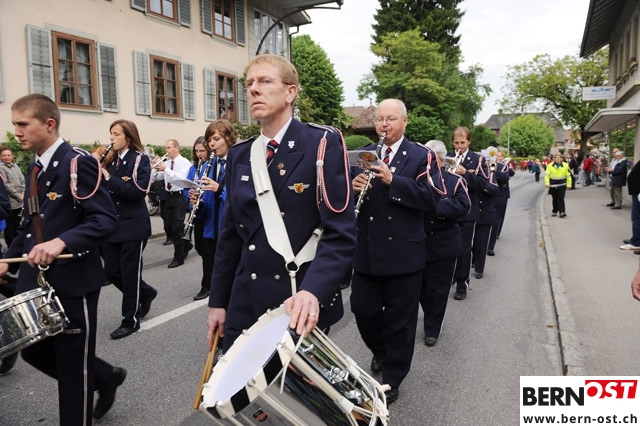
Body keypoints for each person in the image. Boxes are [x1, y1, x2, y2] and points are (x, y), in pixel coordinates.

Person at [206, 55, 356, 365]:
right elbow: (230, 235)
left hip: (298, 297)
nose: (253, 89)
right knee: (240, 387)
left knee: (298, 390)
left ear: (290, 92)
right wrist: (218, 302)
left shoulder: (321, 144)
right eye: (249, 83)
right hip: (246, 297)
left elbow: (339, 232)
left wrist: (313, 290)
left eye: (265, 81)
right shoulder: (240, 154)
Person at [1, 94, 125, 424]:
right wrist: (7, 259)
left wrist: (62, 241)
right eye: (15, 124)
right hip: (36, 281)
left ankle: (90, 381)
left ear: (49, 124)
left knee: (72, 367)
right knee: (32, 350)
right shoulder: (35, 167)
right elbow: (30, 224)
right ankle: (104, 376)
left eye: (23, 124)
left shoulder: (77, 163)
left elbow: (105, 220)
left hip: (72, 280)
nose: (17, 132)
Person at [350, 99, 439, 404]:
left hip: (403, 253)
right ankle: (381, 350)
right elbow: (345, 199)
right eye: (380, 119)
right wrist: (353, 186)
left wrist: (393, 181)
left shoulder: (421, 155)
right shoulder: (364, 153)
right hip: (367, 250)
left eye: (390, 119)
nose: (384, 125)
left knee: (400, 321)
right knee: (362, 309)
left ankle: (392, 378)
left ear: (404, 121)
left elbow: (432, 198)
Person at [101, 120, 158, 339]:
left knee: (130, 274)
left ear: (128, 136)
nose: (112, 138)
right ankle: (146, 292)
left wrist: (108, 177)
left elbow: (138, 191)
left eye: (116, 134)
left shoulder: (139, 159)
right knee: (111, 272)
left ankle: (130, 320)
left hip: (133, 226)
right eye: (111, 134)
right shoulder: (111, 159)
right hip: (113, 225)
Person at [420, 140, 470, 347]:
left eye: (431, 159)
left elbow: (464, 206)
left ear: (440, 160)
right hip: (417, 242)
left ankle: (432, 328)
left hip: (443, 244)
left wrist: (433, 206)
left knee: (437, 291)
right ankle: (429, 314)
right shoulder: (416, 179)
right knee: (419, 290)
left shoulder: (454, 180)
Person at [185, 121, 237, 301]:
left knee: (231, 272)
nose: (211, 144)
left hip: (231, 227)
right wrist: (195, 202)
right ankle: (208, 287)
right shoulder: (209, 165)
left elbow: (242, 197)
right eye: (209, 140)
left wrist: (220, 189)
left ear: (228, 138)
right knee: (209, 260)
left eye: (216, 139)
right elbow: (206, 198)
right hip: (210, 227)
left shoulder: (239, 162)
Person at [449, 126, 497, 300]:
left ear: (469, 142)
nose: (459, 146)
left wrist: (466, 174)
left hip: (468, 209)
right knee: (449, 247)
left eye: (462, 142)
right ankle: (452, 275)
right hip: (450, 208)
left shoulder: (478, 159)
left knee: (464, 248)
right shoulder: (448, 157)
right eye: (456, 143)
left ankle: (462, 284)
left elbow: (484, 184)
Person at [152, 139, 192, 267]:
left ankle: (178, 257)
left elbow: (181, 178)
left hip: (179, 196)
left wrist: (165, 169)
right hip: (168, 196)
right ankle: (186, 244)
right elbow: (156, 178)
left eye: (169, 147)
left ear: (177, 148)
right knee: (168, 226)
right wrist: (155, 168)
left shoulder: (184, 163)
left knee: (177, 227)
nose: (166, 150)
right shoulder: (167, 163)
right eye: (166, 148)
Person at [487, 150, 515, 256]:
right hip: (487, 196)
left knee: (496, 220)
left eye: (498, 156)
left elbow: (506, 178)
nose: (497, 157)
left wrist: (495, 170)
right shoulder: (483, 164)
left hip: (500, 196)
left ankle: (491, 246)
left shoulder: (503, 166)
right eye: (495, 156)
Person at [0, 146, 26, 248]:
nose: (6, 157)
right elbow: (5, 185)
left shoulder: (15, 166)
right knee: (9, 227)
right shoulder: (1, 168)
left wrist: (23, 193)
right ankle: (11, 247)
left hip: (19, 202)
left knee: (17, 225)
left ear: (12, 156)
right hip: (10, 202)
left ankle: (17, 246)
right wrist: (18, 195)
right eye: (4, 155)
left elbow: (23, 180)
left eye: (8, 155)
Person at [544, 153, 572, 218]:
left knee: (560, 197)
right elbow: (547, 175)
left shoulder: (565, 165)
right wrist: (547, 183)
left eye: (558, 157)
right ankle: (554, 210)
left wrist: (569, 184)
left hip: (562, 184)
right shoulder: (550, 165)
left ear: (561, 159)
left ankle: (562, 212)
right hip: (553, 184)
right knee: (555, 198)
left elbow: (568, 176)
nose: (557, 159)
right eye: (556, 157)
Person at [621, 160, 640, 251]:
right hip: (636, 191)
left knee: (636, 218)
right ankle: (636, 239)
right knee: (636, 218)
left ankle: (636, 242)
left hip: (638, 192)